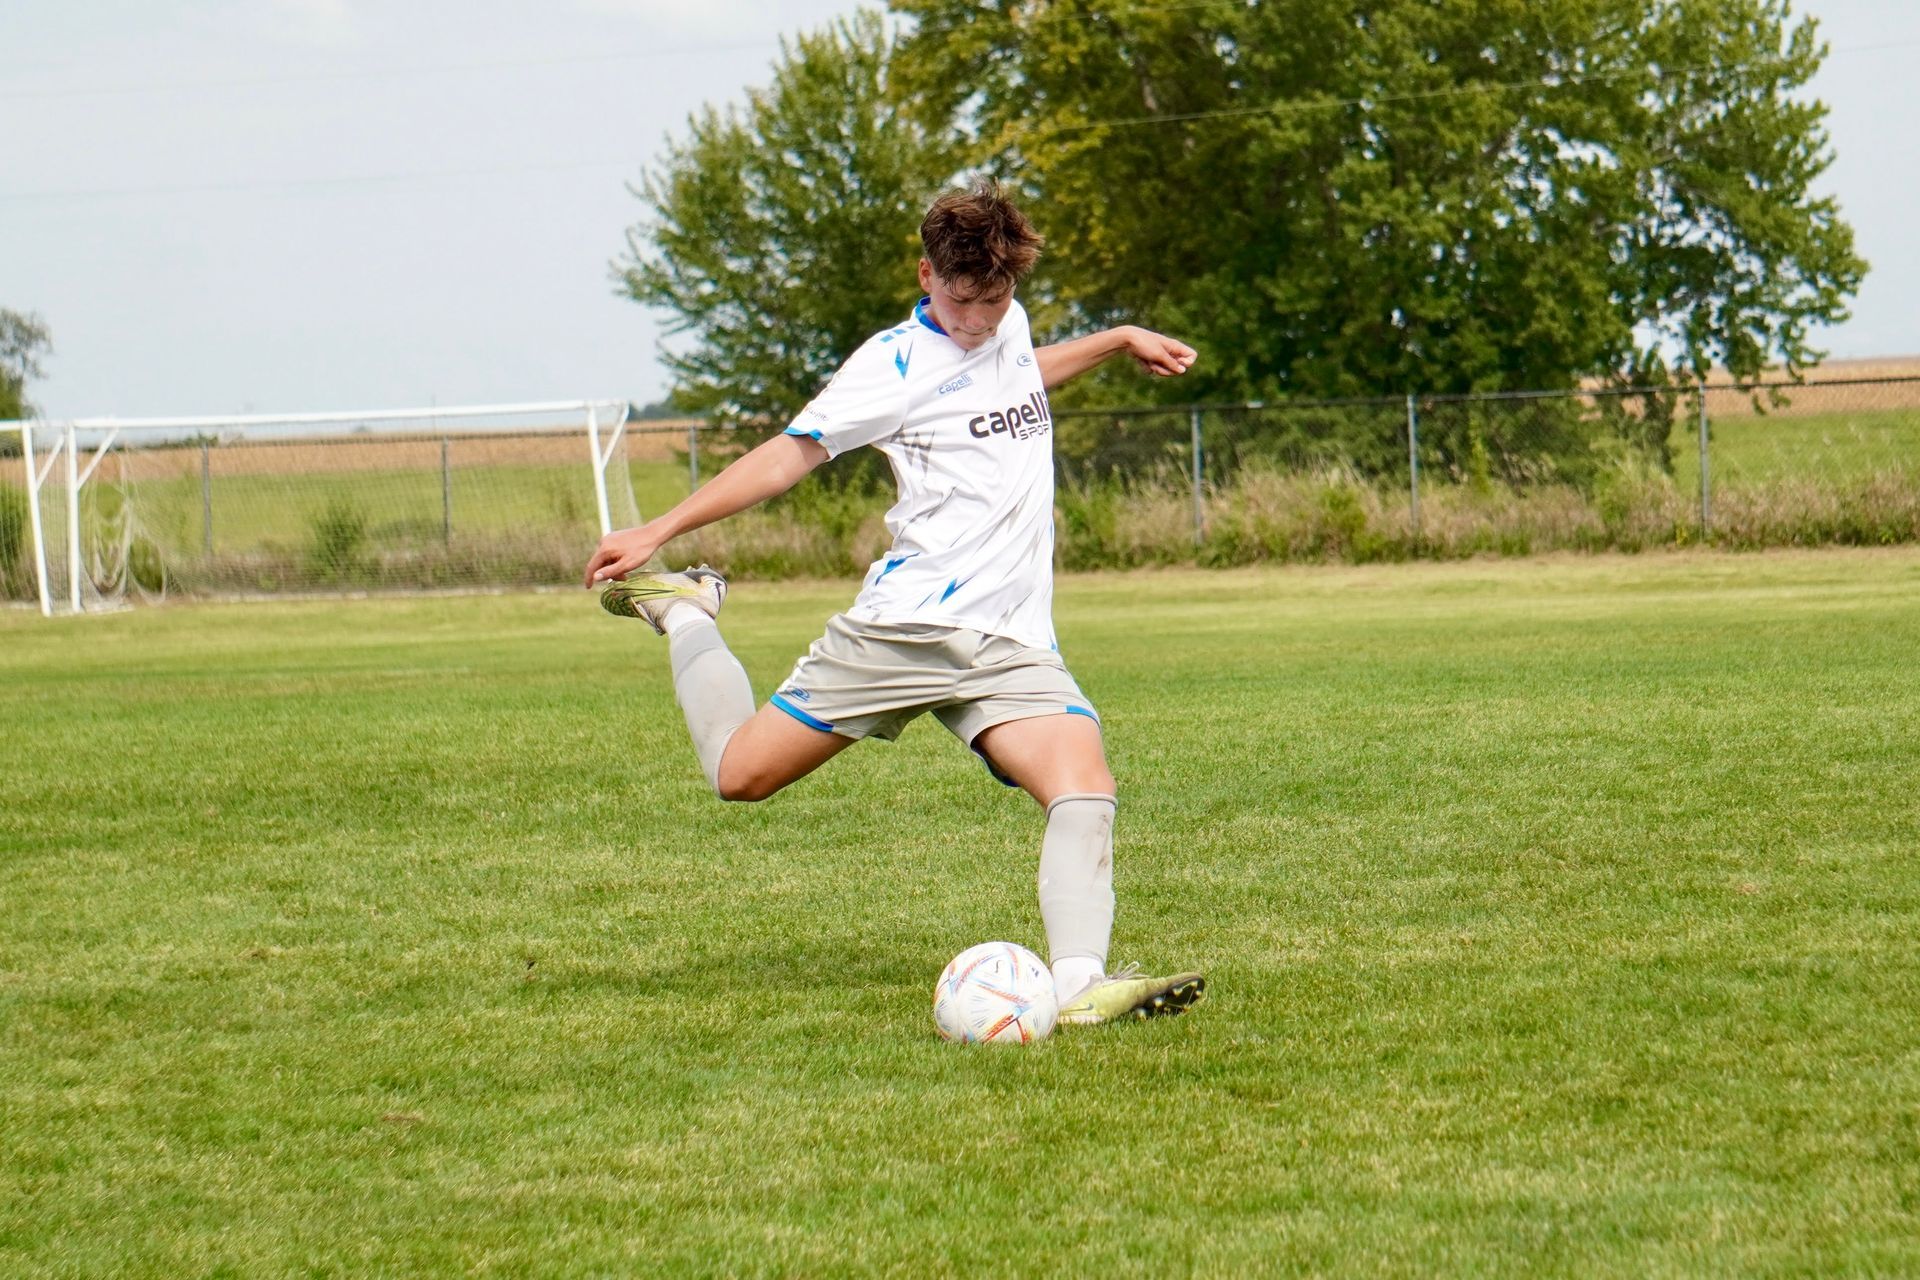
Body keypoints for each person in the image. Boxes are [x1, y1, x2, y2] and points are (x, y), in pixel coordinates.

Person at [583, 178, 1204, 1025]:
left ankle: (1078, 987)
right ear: (925, 274)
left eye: (996, 297)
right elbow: (787, 457)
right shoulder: (892, 366)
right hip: (906, 628)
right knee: (739, 775)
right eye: (961, 298)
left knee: (1083, 785)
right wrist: (659, 528)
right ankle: (688, 608)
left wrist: (1117, 338)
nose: (980, 318)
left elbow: (1017, 376)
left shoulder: (1006, 327)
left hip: (1012, 640)